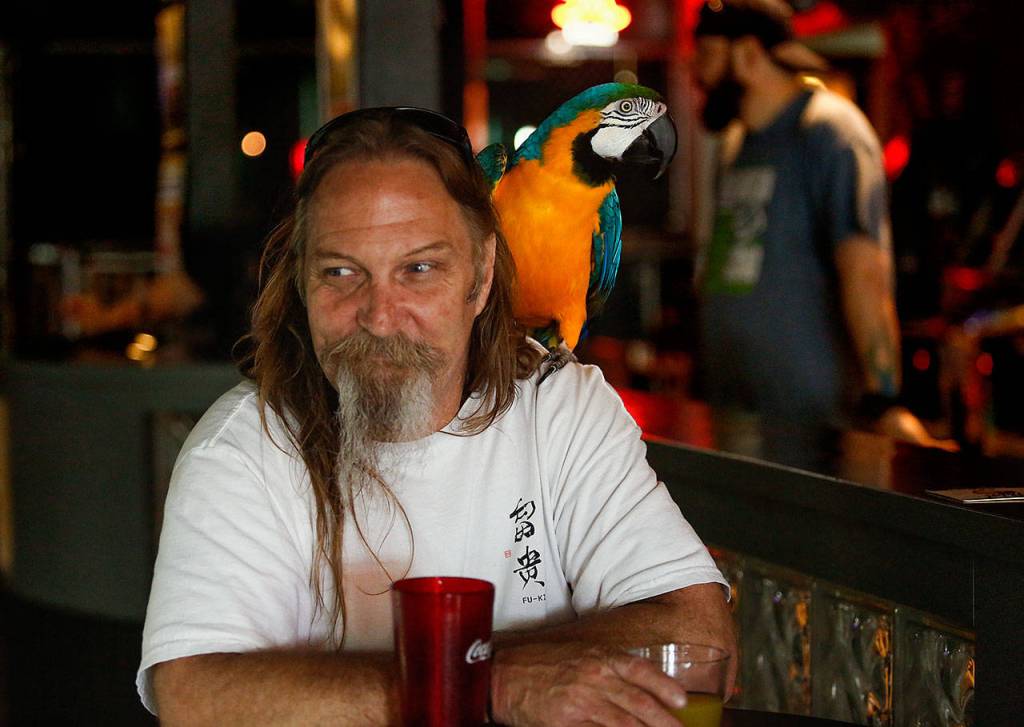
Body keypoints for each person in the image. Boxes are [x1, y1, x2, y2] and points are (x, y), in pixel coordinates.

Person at [137, 107, 735, 726]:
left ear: (480, 277)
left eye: (419, 269)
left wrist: (455, 675)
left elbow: (697, 634)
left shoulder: (561, 408)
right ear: (299, 284)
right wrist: (490, 684)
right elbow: (196, 693)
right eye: (340, 273)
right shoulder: (242, 449)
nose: (380, 315)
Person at [692, 0, 954, 449]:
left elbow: (865, 271)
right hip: (737, 416)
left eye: (706, 54)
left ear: (748, 53)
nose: (697, 71)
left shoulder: (830, 131)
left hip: (812, 427)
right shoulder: (738, 143)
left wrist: (883, 399)